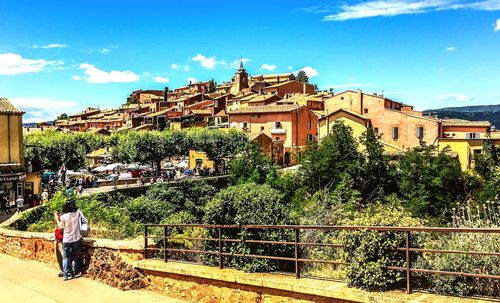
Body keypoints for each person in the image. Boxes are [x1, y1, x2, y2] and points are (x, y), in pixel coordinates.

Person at [56, 200, 87, 281]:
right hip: (76, 238)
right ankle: (73, 274)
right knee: (74, 256)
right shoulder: (77, 213)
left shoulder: (64, 216)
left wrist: (56, 218)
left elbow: (60, 227)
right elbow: (85, 220)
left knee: (65, 257)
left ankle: (65, 275)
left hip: (67, 239)